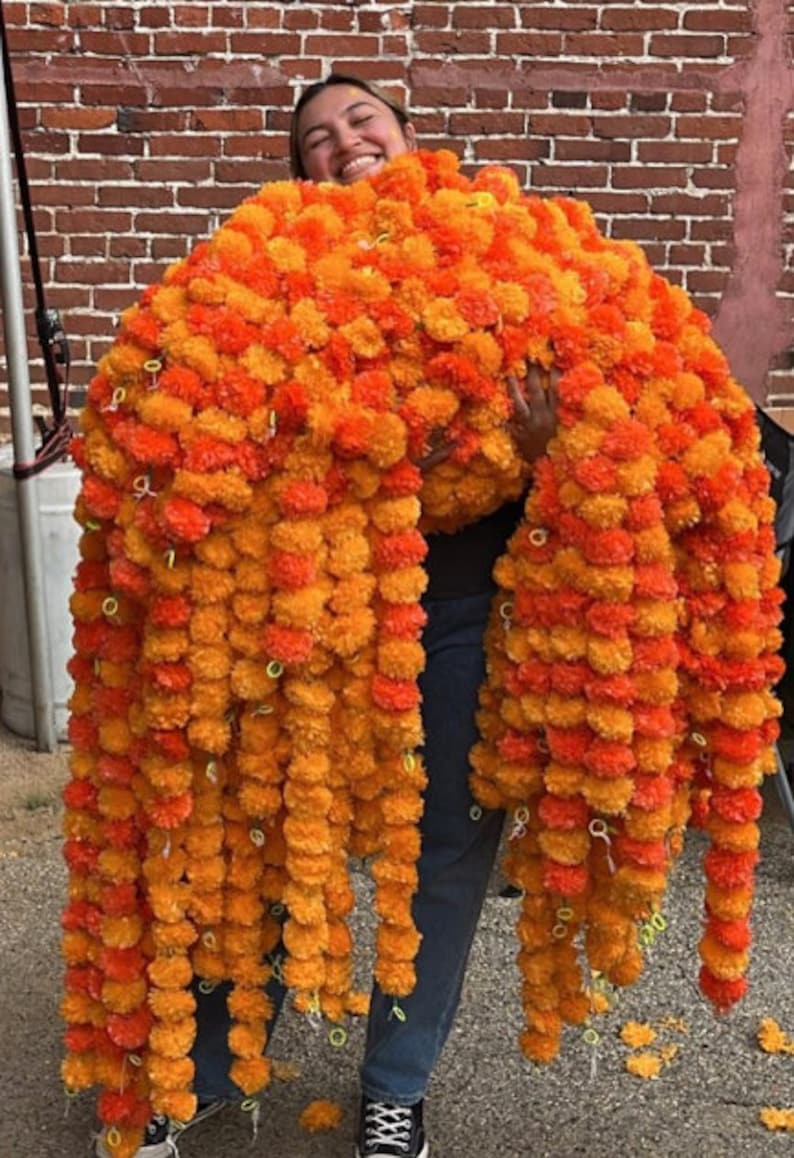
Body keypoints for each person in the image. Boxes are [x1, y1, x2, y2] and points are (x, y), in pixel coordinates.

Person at [94, 73, 558, 1158]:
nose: (342, 141)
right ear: (298, 173)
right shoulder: (251, 281)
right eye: (315, 139)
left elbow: (601, 449)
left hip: (457, 603)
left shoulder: (513, 258)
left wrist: (534, 459)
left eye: (363, 121)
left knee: (441, 851)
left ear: (409, 139)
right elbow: (212, 440)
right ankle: (195, 1070)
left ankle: (394, 1087)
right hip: (293, 602)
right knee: (251, 831)